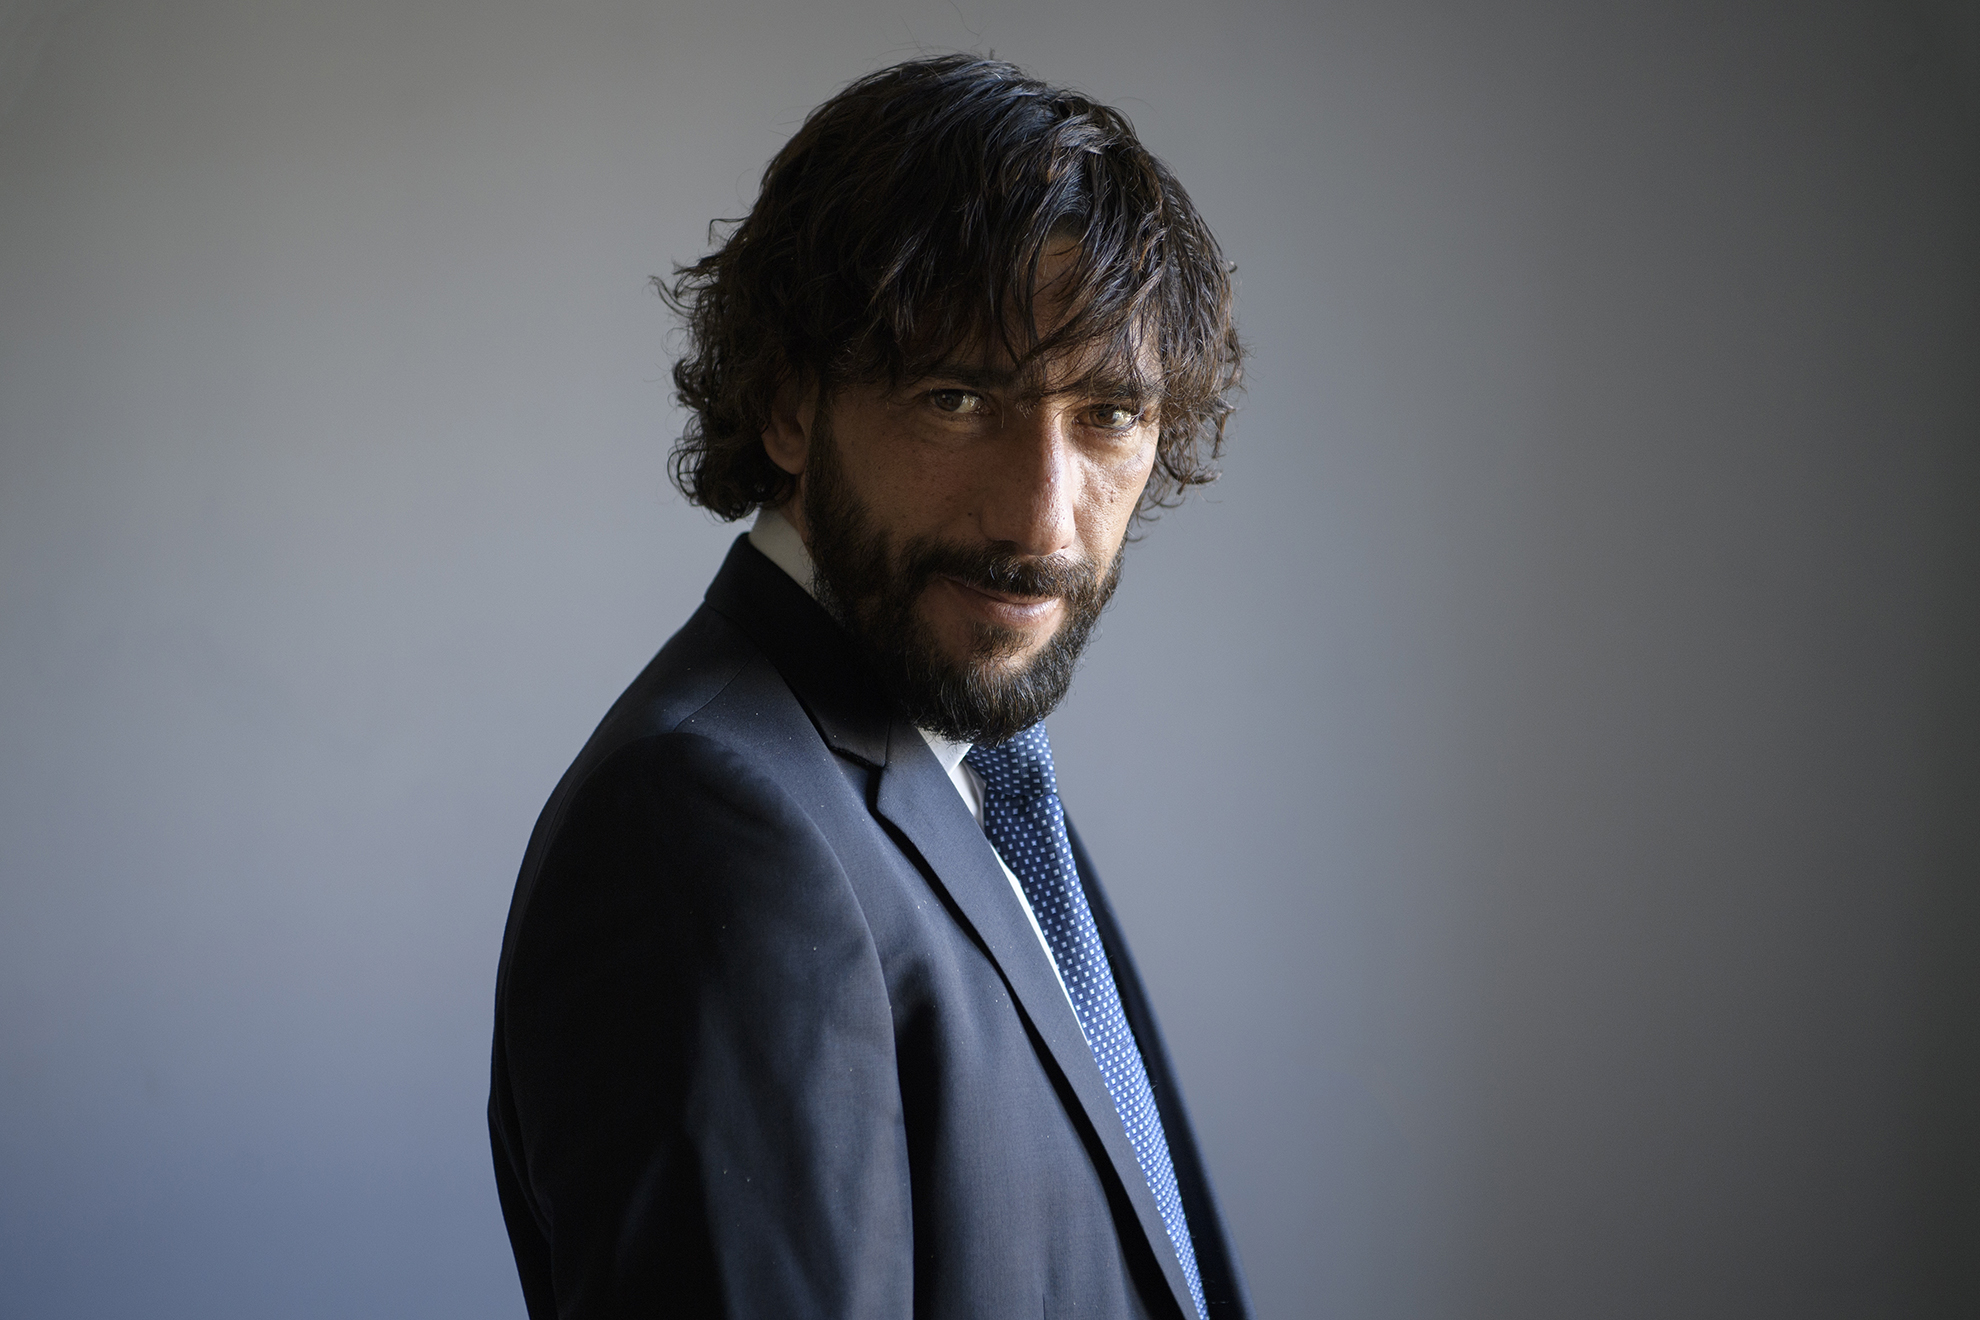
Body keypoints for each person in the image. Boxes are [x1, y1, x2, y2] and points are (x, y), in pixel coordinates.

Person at [488, 55, 1249, 1319]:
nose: (1041, 519)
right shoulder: (706, 830)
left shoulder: (963, 765)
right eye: (958, 399)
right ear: (789, 405)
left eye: (1110, 413)